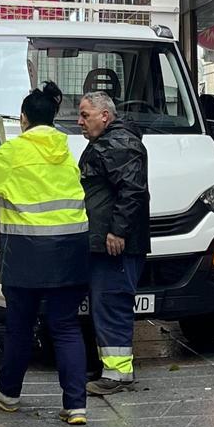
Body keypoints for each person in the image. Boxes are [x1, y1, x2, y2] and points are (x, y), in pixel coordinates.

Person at [0, 82, 91, 425]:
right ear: (53, 118)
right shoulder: (67, 151)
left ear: (23, 119)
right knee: (66, 327)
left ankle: (8, 391)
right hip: (70, 250)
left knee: (20, 325)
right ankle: (76, 405)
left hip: (26, 253)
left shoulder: (11, 152)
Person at [77, 91, 150, 396]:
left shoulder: (117, 144)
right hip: (107, 242)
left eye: (85, 115)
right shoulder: (110, 143)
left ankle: (118, 374)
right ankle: (111, 367)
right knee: (106, 305)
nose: (80, 122)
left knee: (113, 305)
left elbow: (132, 191)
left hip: (115, 245)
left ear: (104, 116)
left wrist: (117, 231)